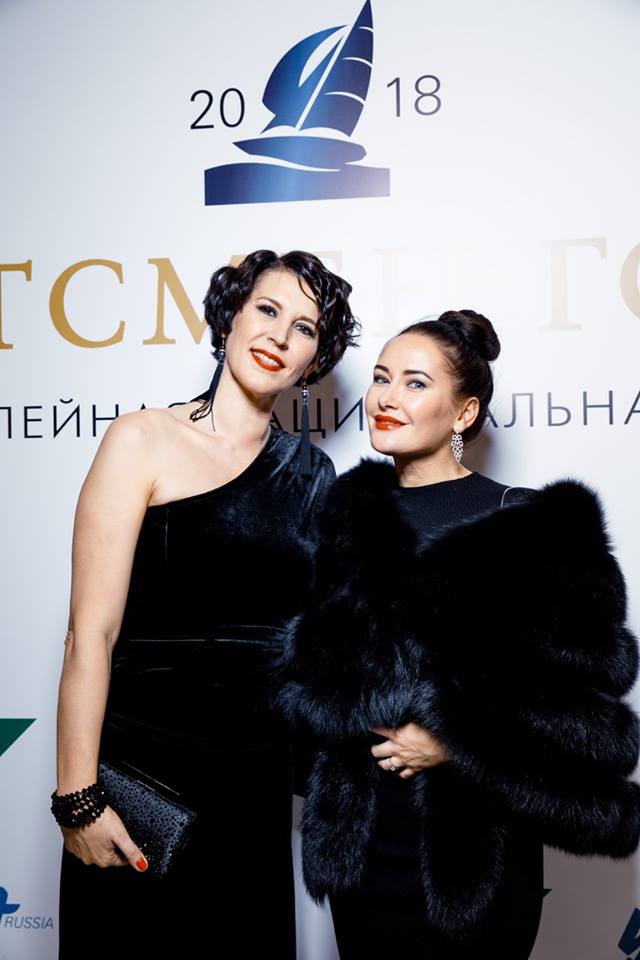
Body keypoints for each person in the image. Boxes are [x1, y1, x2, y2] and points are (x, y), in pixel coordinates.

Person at [277, 310, 640, 959]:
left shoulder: (534, 527)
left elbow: (592, 724)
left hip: (479, 862)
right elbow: (308, 679)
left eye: (415, 383)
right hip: (362, 857)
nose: (386, 397)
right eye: (381, 378)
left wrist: (456, 743)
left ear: (465, 413)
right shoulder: (346, 518)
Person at [53, 249, 358, 959]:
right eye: (267, 310)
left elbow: (325, 647)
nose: (280, 335)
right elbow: (89, 634)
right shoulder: (142, 439)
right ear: (229, 319)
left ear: (314, 361)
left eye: (305, 328)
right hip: (139, 781)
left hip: (252, 787)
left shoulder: (314, 475)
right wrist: (77, 799)